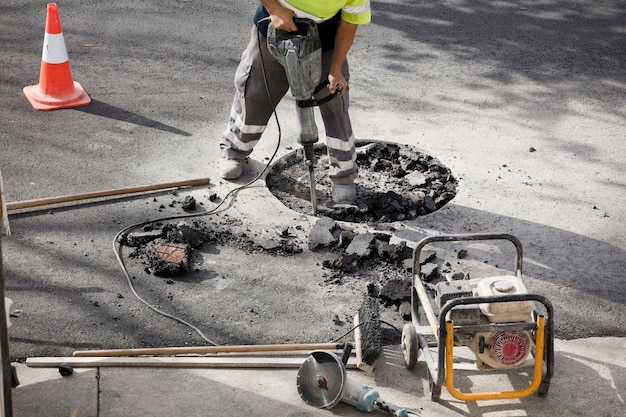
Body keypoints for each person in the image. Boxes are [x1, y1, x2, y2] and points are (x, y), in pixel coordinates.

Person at [218, 0, 371, 204]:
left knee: (335, 102)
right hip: (274, 27)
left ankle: (343, 176)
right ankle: (234, 151)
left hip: (325, 37)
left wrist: (335, 69)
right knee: (256, 92)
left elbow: (350, 22)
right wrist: (275, 9)